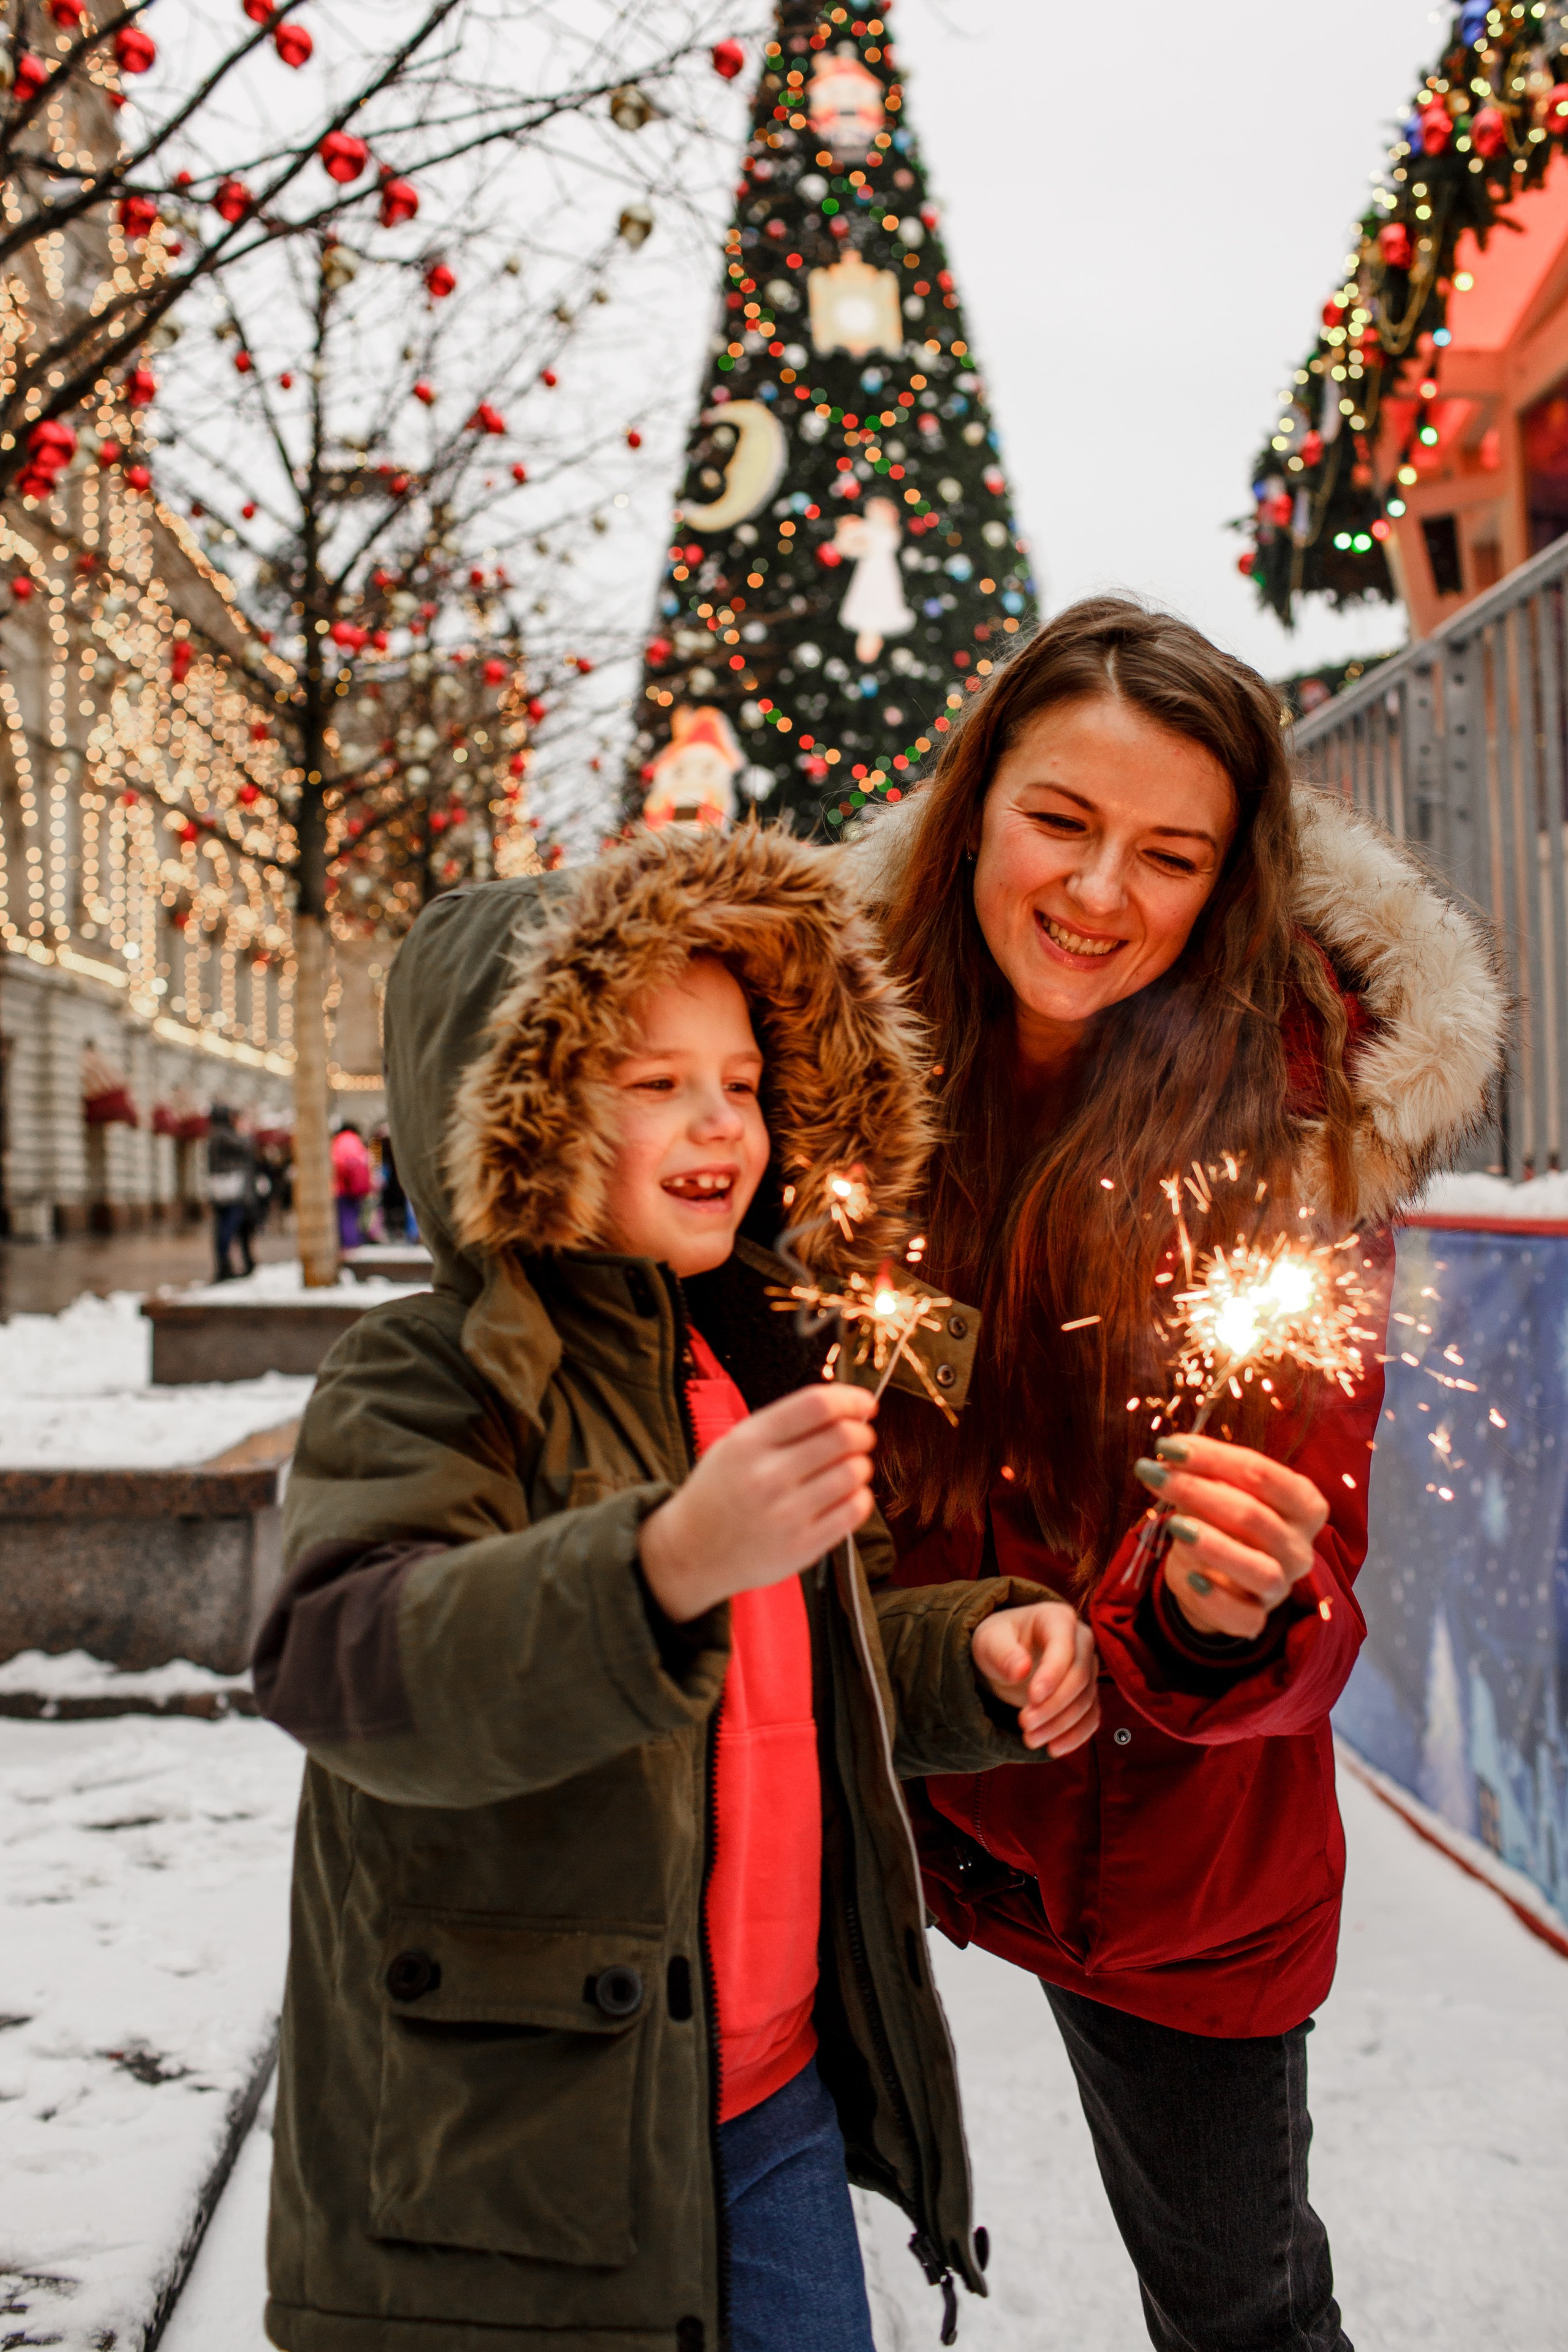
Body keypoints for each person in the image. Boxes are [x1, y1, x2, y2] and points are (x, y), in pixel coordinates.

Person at [251, 826, 1100, 2352]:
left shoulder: (754, 1353)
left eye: (745, 1082)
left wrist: (974, 1650)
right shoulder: (438, 1372)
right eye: (653, 1084)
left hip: (767, 2087)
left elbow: (814, 1658)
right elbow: (346, 1664)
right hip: (512, 2147)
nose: (721, 1123)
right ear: (514, 1110)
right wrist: (652, 1568)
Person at [851, 598, 1505, 2352]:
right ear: (974, 802)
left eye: (1171, 856)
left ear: (1231, 883)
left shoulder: (1301, 1130)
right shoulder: (824, 1076)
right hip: (853, 1777)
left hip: (1160, 1845)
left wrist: (1222, 1617)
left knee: (1245, 2311)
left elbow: (1307, 1548)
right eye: (1061, 821)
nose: (1097, 896)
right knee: (762, 2261)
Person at [206, 1102, 256, 1281]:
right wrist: (246, 1131)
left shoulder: (214, 1135)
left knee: (228, 1226)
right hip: (233, 1192)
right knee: (231, 1225)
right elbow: (247, 1146)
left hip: (223, 1191)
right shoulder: (224, 1135)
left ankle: (233, 1263)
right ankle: (225, 1265)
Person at [330, 1118, 372, 1252]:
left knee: (345, 1220)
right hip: (357, 1189)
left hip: (342, 1188)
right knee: (354, 1218)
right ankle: (355, 1245)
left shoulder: (339, 1142)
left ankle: (349, 1249)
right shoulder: (357, 1142)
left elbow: (338, 1164)